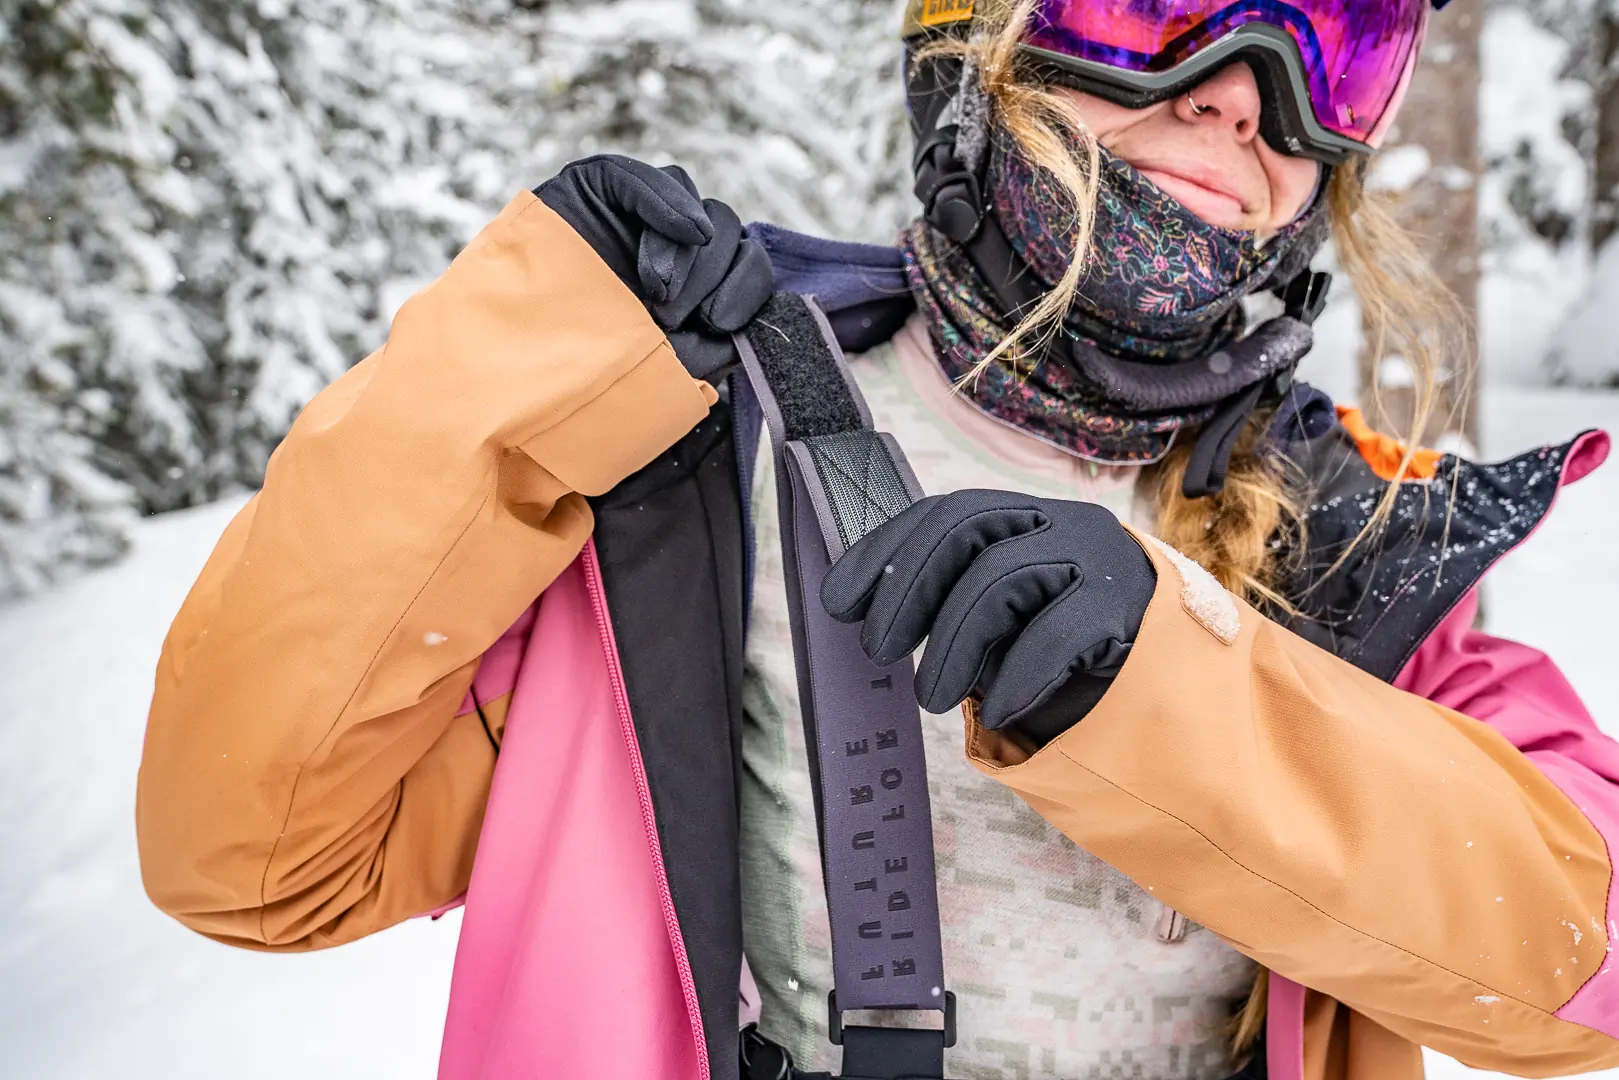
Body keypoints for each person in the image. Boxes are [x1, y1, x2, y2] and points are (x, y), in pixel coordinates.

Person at [134, 1, 1619, 1078]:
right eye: (1154, 9)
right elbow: (254, 861)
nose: (1242, 92)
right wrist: (504, 380)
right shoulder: (683, 449)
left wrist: (1184, 693)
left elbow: (1579, 961)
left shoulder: (1350, 537)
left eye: (1335, 44)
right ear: (972, 49)